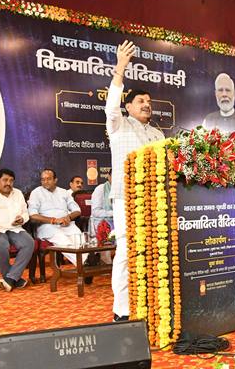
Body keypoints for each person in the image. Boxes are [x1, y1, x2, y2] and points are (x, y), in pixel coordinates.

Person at [106, 40, 165, 322]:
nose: (147, 105)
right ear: (128, 106)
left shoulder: (158, 134)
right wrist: (121, 66)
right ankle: (122, 309)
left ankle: (151, 301)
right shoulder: (119, 125)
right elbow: (111, 106)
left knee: (154, 249)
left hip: (155, 200)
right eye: (141, 101)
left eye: (149, 102)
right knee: (127, 251)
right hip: (126, 197)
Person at [28, 168, 85, 266]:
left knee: (80, 241)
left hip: (66, 224)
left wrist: (69, 217)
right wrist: (53, 220)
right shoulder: (36, 193)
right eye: (43, 179)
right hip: (47, 226)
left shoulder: (64, 192)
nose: (45, 182)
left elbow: (77, 210)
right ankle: (84, 264)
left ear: (55, 180)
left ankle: (85, 264)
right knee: (64, 241)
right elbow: (32, 215)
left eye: (48, 179)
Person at [202, 73, 235, 142]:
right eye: (220, 90)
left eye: (228, 90)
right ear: (216, 94)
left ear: (234, 93)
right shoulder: (207, 120)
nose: (224, 94)